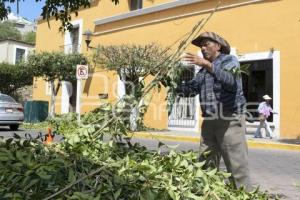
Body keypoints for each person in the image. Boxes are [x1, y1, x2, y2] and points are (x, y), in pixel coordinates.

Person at [177, 32, 251, 190]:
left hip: (229, 119)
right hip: (210, 121)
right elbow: (191, 90)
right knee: (205, 162)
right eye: (201, 46)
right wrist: (171, 84)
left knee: (236, 165)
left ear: (218, 46)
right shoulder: (202, 72)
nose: (203, 48)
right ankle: (207, 192)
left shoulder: (230, 61)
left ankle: (243, 194)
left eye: (206, 44)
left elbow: (230, 81)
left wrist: (206, 64)